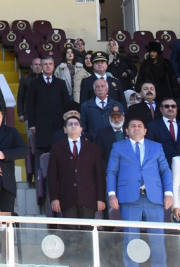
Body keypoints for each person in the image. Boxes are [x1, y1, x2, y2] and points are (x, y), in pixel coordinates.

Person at [107, 118, 173, 267]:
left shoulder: (156, 147)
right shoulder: (118, 147)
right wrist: (112, 193)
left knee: (157, 239)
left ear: (145, 131)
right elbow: (112, 171)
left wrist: (168, 193)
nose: (136, 128)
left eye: (139, 126)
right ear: (127, 130)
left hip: (154, 198)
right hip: (130, 199)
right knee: (131, 239)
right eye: (133, 126)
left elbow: (165, 170)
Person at [47, 114, 106, 223]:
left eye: (76, 124)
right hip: (66, 198)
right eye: (69, 124)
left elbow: (99, 175)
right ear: (65, 129)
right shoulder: (57, 148)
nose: (73, 126)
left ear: (81, 129)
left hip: (88, 198)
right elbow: (52, 176)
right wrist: (54, 198)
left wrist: (100, 198)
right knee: (70, 234)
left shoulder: (93, 148)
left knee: (88, 232)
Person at [26, 56, 69, 153]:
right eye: (45, 64)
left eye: (50, 64)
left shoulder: (61, 83)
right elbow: (30, 104)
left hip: (58, 124)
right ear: (41, 66)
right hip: (41, 125)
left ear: (54, 66)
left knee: (60, 151)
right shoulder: (34, 83)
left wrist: (66, 123)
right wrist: (31, 124)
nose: (48, 66)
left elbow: (66, 104)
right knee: (43, 153)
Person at [146, 97, 179, 165]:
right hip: (163, 165)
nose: (170, 108)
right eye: (167, 106)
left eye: (173, 106)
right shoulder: (152, 126)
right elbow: (150, 147)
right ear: (161, 109)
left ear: (176, 108)